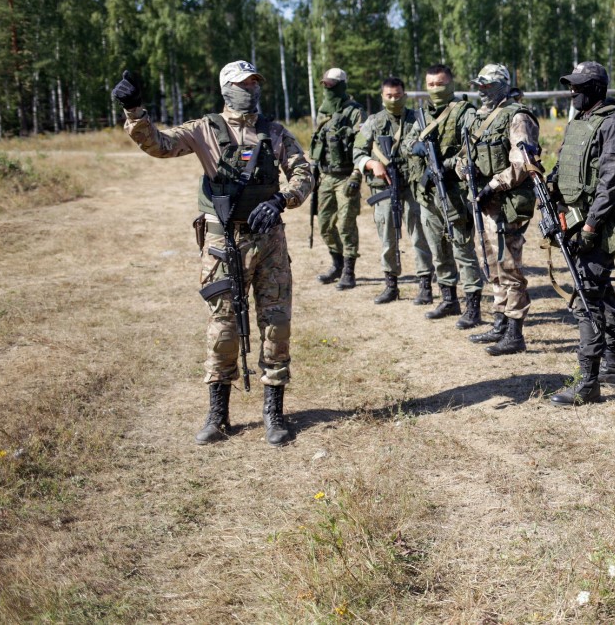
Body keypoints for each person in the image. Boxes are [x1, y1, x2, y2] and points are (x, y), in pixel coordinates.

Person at [112, 62, 313, 446]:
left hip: (269, 242)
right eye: (244, 83)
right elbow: (159, 144)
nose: (252, 89)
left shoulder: (274, 131)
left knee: (276, 325)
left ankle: (274, 414)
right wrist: (135, 111)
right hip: (223, 244)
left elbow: (303, 173)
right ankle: (218, 415)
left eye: (256, 82)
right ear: (226, 87)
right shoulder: (205, 128)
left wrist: (282, 198)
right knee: (223, 328)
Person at [546, 61, 615, 405]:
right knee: (598, 290)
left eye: (579, 87)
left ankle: (587, 382)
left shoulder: (614, 123)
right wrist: (550, 189)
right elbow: (564, 166)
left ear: (597, 88)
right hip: (573, 219)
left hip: (599, 223)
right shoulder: (579, 122)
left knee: (587, 298)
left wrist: (590, 224)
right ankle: (612, 364)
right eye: (571, 87)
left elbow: (613, 180)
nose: (572, 93)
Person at [458, 64, 540, 355]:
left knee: (509, 268)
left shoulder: (518, 117)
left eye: (488, 86)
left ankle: (515, 333)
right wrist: (463, 169)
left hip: (506, 204)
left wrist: (492, 185)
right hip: (485, 205)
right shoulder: (479, 119)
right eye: (479, 86)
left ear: (504, 86)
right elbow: (463, 156)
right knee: (491, 266)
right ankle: (500, 322)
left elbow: (522, 163)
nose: (482, 91)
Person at [411, 64, 484, 328]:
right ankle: (448, 298)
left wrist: (447, 165)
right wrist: (416, 146)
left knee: (462, 248)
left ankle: (473, 305)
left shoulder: (465, 112)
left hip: (455, 193)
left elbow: (472, 148)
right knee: (437, 248)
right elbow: (410, 142)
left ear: (451, 84)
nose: (435, 89)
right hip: (428, 195)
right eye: (430, 85)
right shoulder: (422, 115)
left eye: (440, 84)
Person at [352, 76, 434, 304]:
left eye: (398, 96)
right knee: (387, 238)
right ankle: (391, 285)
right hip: (386, 188)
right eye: (389, 96)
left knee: (420, 236)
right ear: (382, 97)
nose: (394, 100)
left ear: (405, 95)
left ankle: (425, 284)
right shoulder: (373, 122)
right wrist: (371, 163)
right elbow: (357, 152)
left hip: (414, 187)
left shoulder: (417, 119)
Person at [309, 67, 365, 290]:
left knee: (345, 224)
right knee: (324, 224)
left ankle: (349, 271)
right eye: (325, 84)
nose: (327, 88)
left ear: (341, 85)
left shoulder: (355, 112)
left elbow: (363, 146)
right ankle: (337, 263)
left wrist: (356, 175)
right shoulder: (323, 113)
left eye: (332, 84)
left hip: (346, 177)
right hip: (325, 176)